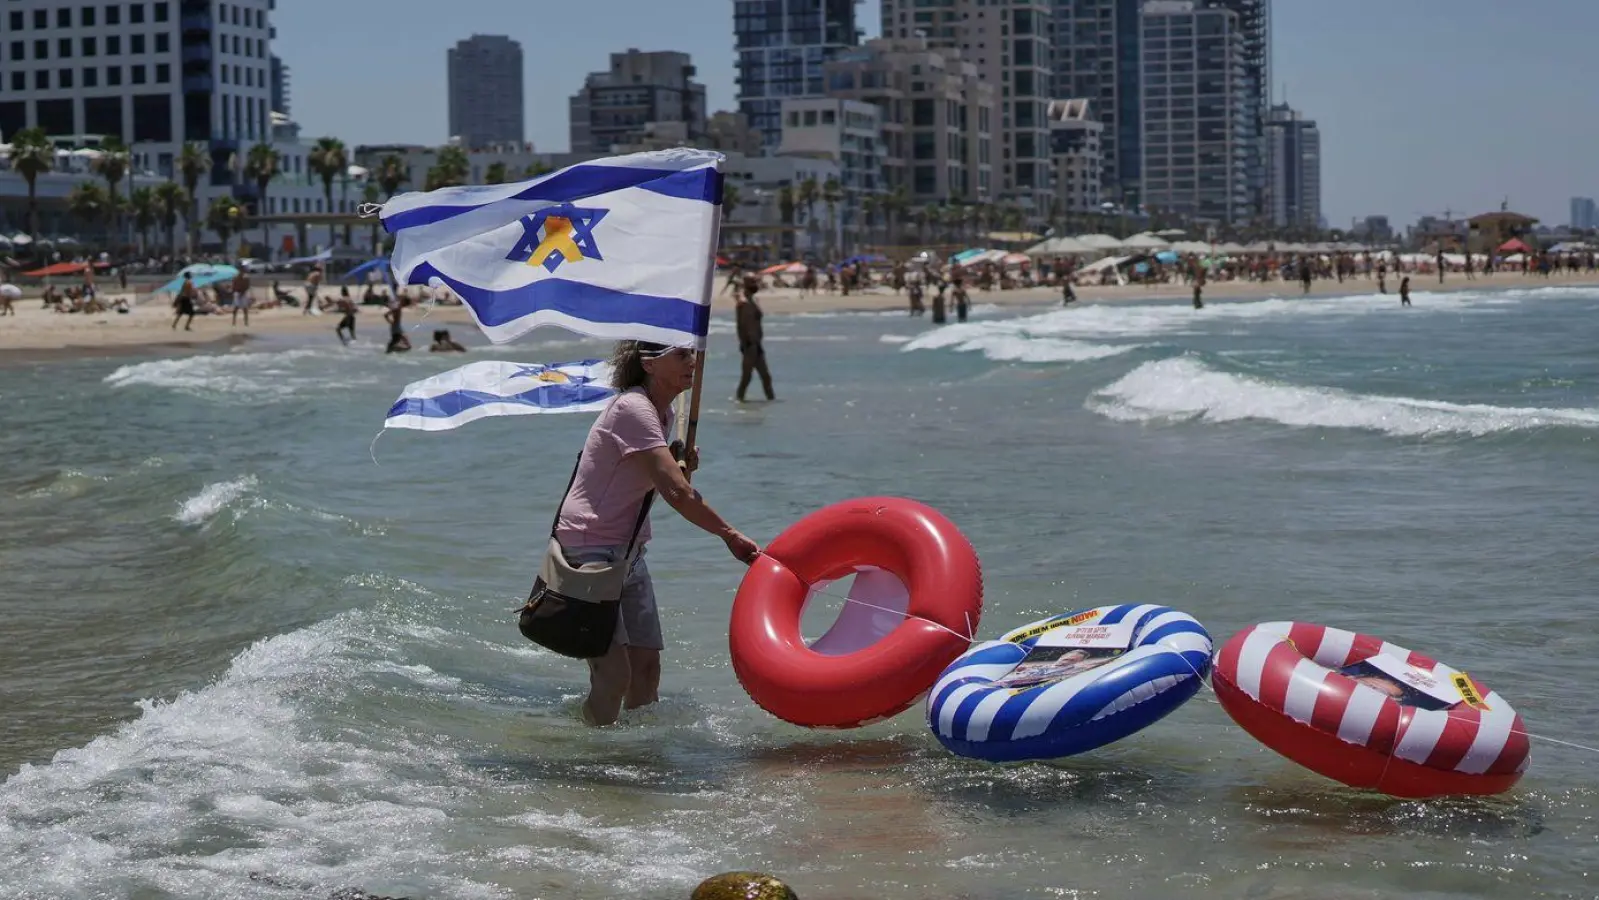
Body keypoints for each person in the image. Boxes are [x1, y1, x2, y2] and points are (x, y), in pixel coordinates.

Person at [545, 340, 759, 726]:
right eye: (681, 354)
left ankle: (638, 753)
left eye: (692, 353)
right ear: (649, 364)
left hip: (629, 550)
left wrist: (676, 465)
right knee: (614, 676)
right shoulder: (633, 408)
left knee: (646, 669)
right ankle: (591, 753)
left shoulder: (664, 412)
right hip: (589, 550)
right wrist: (729, 535)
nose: (692, 361)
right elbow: (677, 494)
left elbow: (650, 489)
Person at [735, 281, 775, 402]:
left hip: (757, 344)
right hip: (750, 344)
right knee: (747, 376)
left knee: (765, 376)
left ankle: (771, 400)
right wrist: (744, 342)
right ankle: (739, 399)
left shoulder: (753, 303)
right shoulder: (742, 305)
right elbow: (741, 325)